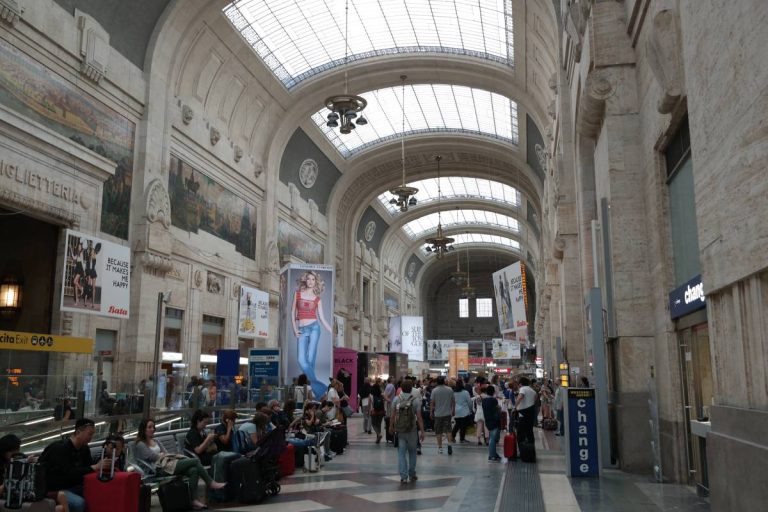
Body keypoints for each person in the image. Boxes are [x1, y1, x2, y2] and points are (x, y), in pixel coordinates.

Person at [133, 418, 225, 510]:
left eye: (153, 427)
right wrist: (162, 455)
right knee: (195, 461)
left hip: (167, 464)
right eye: (149, 427)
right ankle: (210, 482)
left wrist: (162, 455)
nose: (152, 429)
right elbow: (152, 457)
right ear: (143, 429)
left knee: (194, 470)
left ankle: (194, 500)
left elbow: (165, 453)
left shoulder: (156, 441)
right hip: (157, 469)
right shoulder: (140, 444)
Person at [40, 418, 106, 512]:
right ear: (78, 432)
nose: (91, 437)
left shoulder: (84, 448)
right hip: (55, 489)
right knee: (79, 503)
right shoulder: (61, 448)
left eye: (92, 434)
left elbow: (87, 468)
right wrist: (94, 467)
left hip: (74, 485)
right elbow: (70, 472)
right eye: (89, 434)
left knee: (99, 496)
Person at [291, 271, 333, 400]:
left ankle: (311, 393)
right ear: (305, 280)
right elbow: (293, 313)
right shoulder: (297, 294)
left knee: (310, 360)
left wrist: (332, 331)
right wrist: (294, 329)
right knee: (301, 360)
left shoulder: (317, 299)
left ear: (315, 282)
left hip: (315, 328)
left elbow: (322, 318)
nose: (310, 281)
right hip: (302, 329)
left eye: (313, 279)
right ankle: (322, 390)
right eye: (308, 279)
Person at [0, 434, 69, 512]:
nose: (16, 453)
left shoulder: (15, 461)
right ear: (5, 450)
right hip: (13, 494)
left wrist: (28, 464)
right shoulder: (4, 466)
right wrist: (8, 482)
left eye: (17, 450)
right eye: (13, 451)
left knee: (62, 496)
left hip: (26, 490)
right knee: (59, 509)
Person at [389, 380, 425, 484]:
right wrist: (422, 431)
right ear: (411, 388)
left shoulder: (396, 399)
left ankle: (403, 476)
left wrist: (391, 426)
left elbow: (392, 415)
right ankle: (412, 474)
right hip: (412, 430)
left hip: (400, 430)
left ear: (401, 388)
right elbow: (419, 417)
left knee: (401, 453)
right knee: (412, 452)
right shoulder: (416, 401)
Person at [429, 376, 455, 455]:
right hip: (447, 413)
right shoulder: (450, 389)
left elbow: (432, 402)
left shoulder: (434, 390)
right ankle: (449, 444)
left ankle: (440, 448)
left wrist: (431, 412)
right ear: (444, 381)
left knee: (438, 431)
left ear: (437, 382)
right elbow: (453, 401)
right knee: (448, 430)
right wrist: (453, 410)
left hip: (438, 414)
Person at [513, 377, 537, 446]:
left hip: (523, 412)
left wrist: (515, 407)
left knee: (520, 431)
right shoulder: (532, 390)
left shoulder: (523, 389)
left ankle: (522, 448)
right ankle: (531, 447)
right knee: (529, 430)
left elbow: (520, 396)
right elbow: (535, 397)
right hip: (531, 411)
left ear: (520, 384)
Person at [481, 385, 502, 462]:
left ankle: (494, 454)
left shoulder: (484, 400)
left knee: (492, 438)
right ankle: (491, 455)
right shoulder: (493, 400)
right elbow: (497, 409)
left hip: (487, 420)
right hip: (494, 421)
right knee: (493, 439)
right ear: (493, 392)